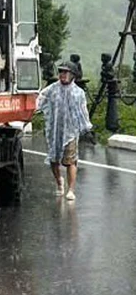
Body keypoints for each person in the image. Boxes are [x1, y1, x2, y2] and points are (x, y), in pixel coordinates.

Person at [37, 61, 93, 201]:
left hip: (70, 132)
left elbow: (82, 111)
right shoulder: (51, 89)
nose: (62, 74)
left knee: (70, 161)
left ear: (72, 75)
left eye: (65, 72)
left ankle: (71, 189)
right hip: (54, 129)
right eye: (61, 71)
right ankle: (59, 182)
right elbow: (40, 100)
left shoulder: (78, 93)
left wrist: (86, 127)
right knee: (53, 159)